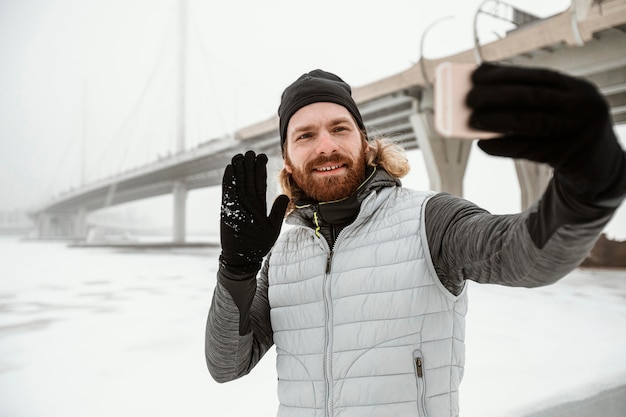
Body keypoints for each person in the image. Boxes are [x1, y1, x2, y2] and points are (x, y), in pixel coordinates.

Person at [205, 65, 626, 417]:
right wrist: (236, 268)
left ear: (365, 142)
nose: (327, 146)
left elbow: (528, 258)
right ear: (288, 160)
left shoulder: (430, 220)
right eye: (305, 135)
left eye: (339, 128)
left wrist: (588, 183)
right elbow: (227, 365)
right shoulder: (281, 256)